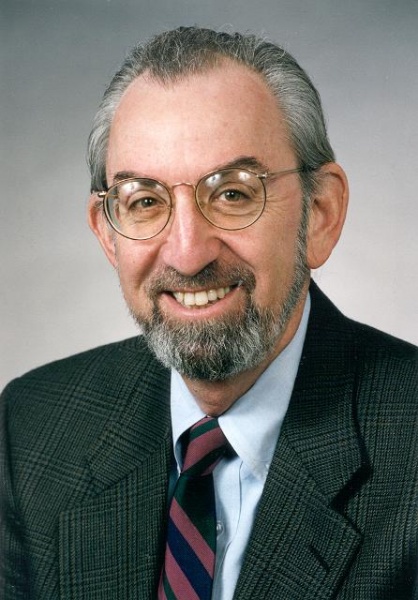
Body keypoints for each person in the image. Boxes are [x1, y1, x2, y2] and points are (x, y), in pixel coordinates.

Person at [1, 26, 417, 600]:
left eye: (233, 194)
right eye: (146, 201)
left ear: (320, 213)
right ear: (108, 234)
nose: (188, 253)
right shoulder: (33, 428)